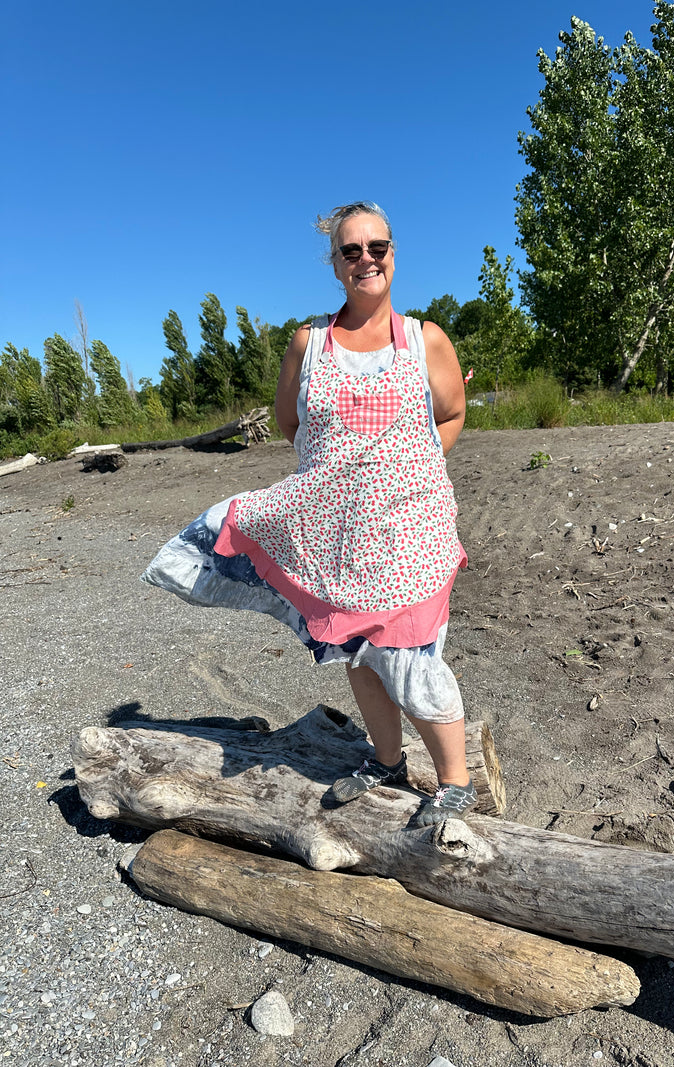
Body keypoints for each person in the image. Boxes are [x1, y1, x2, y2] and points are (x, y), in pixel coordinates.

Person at [142, 201, 474, 824]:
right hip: (339, 535)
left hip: (411, 530)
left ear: (393, 254)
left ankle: (455, 782)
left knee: (409, 652)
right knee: (358, 650)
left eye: (377, 247)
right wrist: (336, 482)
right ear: (336, 264)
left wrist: (406, 470)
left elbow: (451, 415)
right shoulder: (309, 342)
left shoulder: (425, 339)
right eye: (351, 250)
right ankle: (387, 760)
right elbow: (290, 423)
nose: (366, 259)